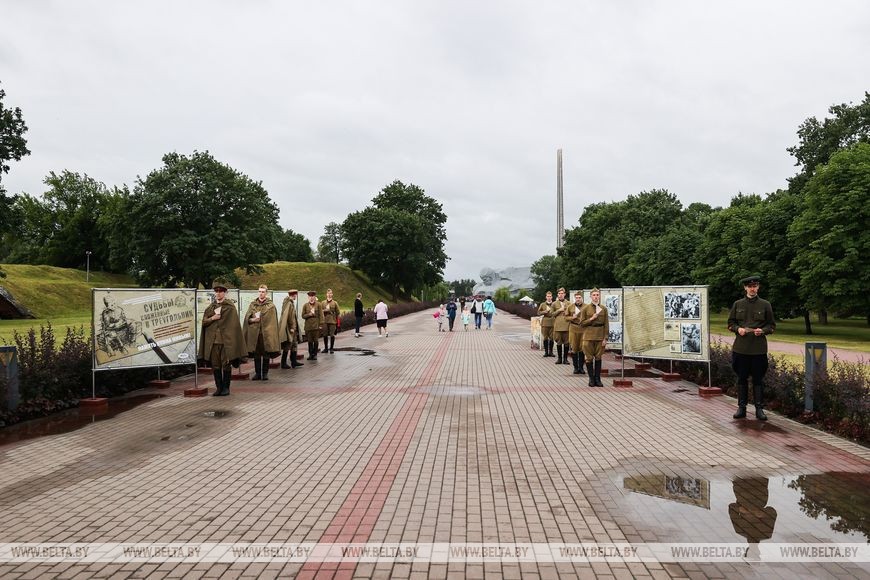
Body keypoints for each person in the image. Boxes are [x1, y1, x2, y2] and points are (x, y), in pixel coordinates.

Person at [727, 275, 776, 421]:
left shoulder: (765, 304)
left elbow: (771, 326)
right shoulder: (738, 304)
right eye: (750, 286)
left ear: (758, 287)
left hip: (758, 349)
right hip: (741, 348)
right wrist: (738, 329)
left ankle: (759, 409)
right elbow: (730, 323)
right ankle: (741, 408)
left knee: (758, 379)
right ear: (745, 288)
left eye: (755, 286)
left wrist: (763, 331)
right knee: (741, 378)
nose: (752, 289)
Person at [198, 281, 245, 396]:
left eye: (220, 292)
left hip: (226, 343)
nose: (218, 294)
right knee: (215, 365)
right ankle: (219, 388)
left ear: (225, 293)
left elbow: (234, 326)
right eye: (216, 292)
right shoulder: (210, 308)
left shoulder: (230, 307)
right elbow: (204, 322)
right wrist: (213, 318)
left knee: (226, 365)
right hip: (213, 343)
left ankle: (226, 388)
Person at [243, 284, 281, 380]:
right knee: (256, 354)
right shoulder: (253, 305)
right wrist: (252, 320)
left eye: (263, 292)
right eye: (259, 291)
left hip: (266, 334)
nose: (261, 293)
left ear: (266, 293)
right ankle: (257, 373)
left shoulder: (270, 306)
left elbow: (273, 322)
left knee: (266, 353)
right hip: (255, 334)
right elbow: (247, 318)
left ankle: (265, 373)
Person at [579, 288, 609, 387]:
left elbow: (606, 324)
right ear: (590, 296)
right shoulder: (585, 309)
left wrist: (605, 338)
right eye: (594, 295)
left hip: (600, 336)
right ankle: (591, 379)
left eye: (597, 295)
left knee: (598, 358)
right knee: (589, 358)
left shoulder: (603, 309)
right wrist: (591, 318)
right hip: (588, 335)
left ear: (599, 296)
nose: (596, 297)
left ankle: (598, 379)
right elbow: (582, 323)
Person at [279, 289, 303, 369]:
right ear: (293, 295)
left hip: (293, 328)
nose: (296, 296)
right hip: (290, 328)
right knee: (288, 345)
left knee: (294, 345)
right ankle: (283, 363)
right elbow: (289, 316)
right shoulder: (289, 303)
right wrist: (292, 327)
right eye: (295, 295)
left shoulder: (290, 303)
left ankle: (294, 361)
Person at [565, 291, 586, 375]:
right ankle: (575, 367)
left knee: (582, 348)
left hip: (583, 328)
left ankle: (581, 367)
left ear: (582, 298)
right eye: (576, 298)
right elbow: (566, 318)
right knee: (574, 348)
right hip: (573, 328)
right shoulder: (570, 307)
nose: (578, 299)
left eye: (579, 298)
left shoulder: (586, 306)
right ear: (575, 298)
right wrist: (572, 318)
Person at [301, 290, 324, 361]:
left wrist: (321, 324)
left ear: (315, 297)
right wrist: (309, 314)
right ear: (308, 297)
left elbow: (321, 315)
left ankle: (315, 354)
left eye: (313, 296)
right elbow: (303, 316)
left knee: (316, 341)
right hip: (308, 326)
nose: (311, 298)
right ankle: (310, 354)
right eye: (310, 296)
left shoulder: (318, 305)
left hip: (316, 326)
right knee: (310, 341)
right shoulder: (305, 305)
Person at [552, 287, 570, 365]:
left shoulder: (569, 303)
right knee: (558, 342)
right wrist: (559, 310)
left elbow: (572, 313)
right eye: (559, 293)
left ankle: (565, 359)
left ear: (565, 294)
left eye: (562, 293)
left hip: (567, 325)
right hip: (558, 326)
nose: (560, 295)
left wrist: (565, 311)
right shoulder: (554, 303)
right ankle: (559, 358)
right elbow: (552, 314)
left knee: (567, 343)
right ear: (557, 294)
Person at [321, 288, 341, 353]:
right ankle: (326, 348)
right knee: (325, 335)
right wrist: (325, 310)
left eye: (330, 293)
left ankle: (331, 348)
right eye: (328, 293)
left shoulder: (335, 303)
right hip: (325, 321)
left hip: (332, 321)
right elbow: (320, 312)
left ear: (332, 294)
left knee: (332, 335)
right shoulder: (323, 303)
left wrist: (338, 323)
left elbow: (338, 313)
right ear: (326, 294)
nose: (329, 295)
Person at [537, 291, 556, 357]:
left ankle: (551, 352)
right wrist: (544, 311)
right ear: (546, 297)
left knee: (552, 338)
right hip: (545, 322)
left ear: (552, 297)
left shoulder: (554, 304)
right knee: (545, 338)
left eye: (550, 296)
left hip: (552, 322)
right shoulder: (543, 304)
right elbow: (538, 312)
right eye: (548, 296)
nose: (549, 298)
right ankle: (546, 352)